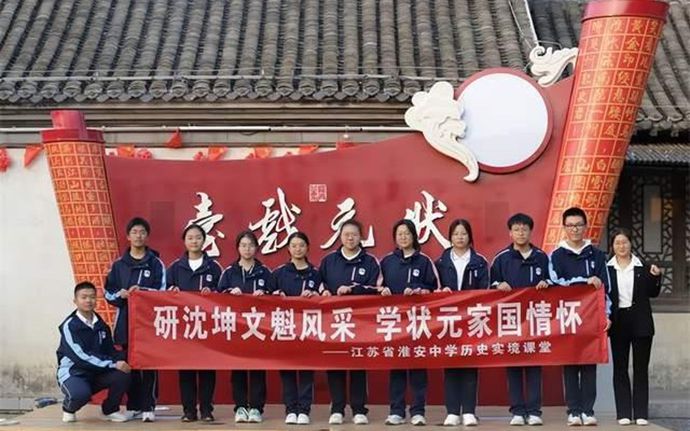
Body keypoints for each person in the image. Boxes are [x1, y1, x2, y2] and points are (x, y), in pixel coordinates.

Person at [548, 207, 611, 427]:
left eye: (578, 225)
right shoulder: (556, 255)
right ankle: (573, 411)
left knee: (589, 365)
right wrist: (584, 281)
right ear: (564, 228)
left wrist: (607, 314)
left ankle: (588, 410)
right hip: (567, 317)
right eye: (570, 225)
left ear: (585, 227)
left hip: (591, 318)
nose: (574, 229)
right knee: (570, 365)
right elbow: (555, 284)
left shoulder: (597, 255)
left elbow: (606, 288)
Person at [319, 219, 383, 425]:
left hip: (361, 323)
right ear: (340, 236)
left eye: (354, 234)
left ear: (360, 237)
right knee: (335, 363)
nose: (350, 238)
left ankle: (359, 409)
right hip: (333, 322)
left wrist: (353, 289)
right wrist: (324, 292)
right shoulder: (329, 260)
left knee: (358, 364)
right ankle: (337, 409)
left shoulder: (370, 261)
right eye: (346, 234)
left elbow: (378, 288)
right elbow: (319, 283)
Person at [490, 213, 549, 426]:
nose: (521, 233)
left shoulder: (542, 257)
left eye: (524, 229)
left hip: (535, 319)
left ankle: (534, 411)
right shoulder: (501, 258)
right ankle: (517, 411)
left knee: (534, 366)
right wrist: (499, 285)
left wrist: (546, 283)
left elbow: (552, 282)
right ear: (510, 233)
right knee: (513, 364)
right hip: (511, 320)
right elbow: (489, 286)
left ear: (530, 232)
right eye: (516, 229)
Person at [104, 217, 165, 422]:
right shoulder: (118, 265)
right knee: (130, 366)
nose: (138, 236)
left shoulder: (156, 263)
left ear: (147, 236)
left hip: (149, 324)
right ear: (128, 236)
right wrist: (120, 295)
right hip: (126, 324)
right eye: (135, 232)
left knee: (148, 366)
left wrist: (143, 292)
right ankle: (133, 406)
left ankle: (148, 406)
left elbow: (163, 292)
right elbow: (108, 292)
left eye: (142, 232)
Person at [379, 219, 438, 426]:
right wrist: (383, 290)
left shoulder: (424, 261)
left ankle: (418, 411)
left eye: (407, 233)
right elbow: (376, 287)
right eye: (400, 234)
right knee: (396, 367)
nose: (403, 237)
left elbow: (436, 289)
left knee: (417, 368)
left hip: (418, 322)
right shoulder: (387, 262)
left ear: (414, 236)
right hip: (394, 322)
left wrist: (421, 290)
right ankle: (396, 411)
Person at [435, 219, 489, 427]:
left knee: (469, 366)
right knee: (450, 365)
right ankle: (452, 411)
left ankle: (468, 411)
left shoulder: (480, 262)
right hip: (448, 321)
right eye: (456, 234)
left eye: (463, 233)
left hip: (472, 319)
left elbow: (486, 291)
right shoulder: (440, 262)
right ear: (450, 237)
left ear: (469, 237)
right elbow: (433, 288)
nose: (460, 237)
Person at [167, 224, 223, 422]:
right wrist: (171, 292)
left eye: (198, 237)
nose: (194, 241)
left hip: (207, 326)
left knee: (207, 369)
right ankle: (189, 410)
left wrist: (213, 293)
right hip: (184, 327)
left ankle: (207, 410)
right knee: (186, 370)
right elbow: (163, 294)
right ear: (184, 241)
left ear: (204, 240)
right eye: (190, 237)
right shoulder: (175, 267)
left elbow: (224, 294)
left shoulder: (214, 267)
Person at [607, 228, 661, 426]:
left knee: (640, 368)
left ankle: (641, 413)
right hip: (618, 321)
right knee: (620, 368)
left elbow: (653, 293)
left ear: (631, 244)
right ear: (612, 246)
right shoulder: (607, 269)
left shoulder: (643, 267)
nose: (621, 246)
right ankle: (623, 412)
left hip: (640, 321)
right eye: (617, 243)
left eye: (625, 242)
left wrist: (656, 277)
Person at [218, 230, 273, 424]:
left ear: (256, 248)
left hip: (258, 328)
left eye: (250, 245)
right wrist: (229, 292)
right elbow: (216, 298)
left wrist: (265, 294)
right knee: (238, 369)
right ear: (237, 248)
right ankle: (240, 407)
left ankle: (256, 408)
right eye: (243, 245)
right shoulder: (229, 272)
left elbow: (276, 296)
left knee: (258, 369)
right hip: (235, 329)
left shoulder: (265, 272)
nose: (247, 249)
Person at [57, 281, 131, 423]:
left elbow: (110, 351)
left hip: (96, 372)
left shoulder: (101, 325)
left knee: (123, 373)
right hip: (75, 372)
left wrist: (126, 359)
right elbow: (80, 356)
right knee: (80, 395)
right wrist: (112, 364)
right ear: (75, 301)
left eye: (92, 297)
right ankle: (68, 408)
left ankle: (110, 410)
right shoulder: (69, 326)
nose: (88, 301)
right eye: (84, 297)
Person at [272, 231, 321, 425]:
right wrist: (275, 295)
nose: (298, 249)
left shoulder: (316, 273)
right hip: (285, 327)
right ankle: (290, 409)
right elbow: (267, 297)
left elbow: (325, 296)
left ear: (307, 248)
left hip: (309, 328)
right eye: (294, 246)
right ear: (288, 249)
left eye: (301, 245)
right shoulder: (279, 273)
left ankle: (304, 410)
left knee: (307, 371)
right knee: (288, 371)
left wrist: (316, 295)